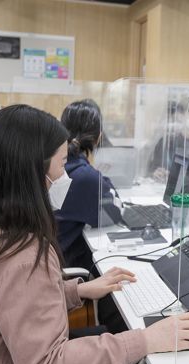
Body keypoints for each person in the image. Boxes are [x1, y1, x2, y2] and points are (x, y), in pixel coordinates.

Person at [0, 105, 189, 364]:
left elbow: (8, 299)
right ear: (33, 174)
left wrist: (76, 291)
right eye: (61, 164)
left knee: (113, 333)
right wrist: (146, 340)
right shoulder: (22, 254)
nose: (65, 176)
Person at [56, 99, 123, 270]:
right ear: (99, 136)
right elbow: (114, 213)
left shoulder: (61, 165)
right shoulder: (84, 177)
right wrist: (98, 175)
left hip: (52, 256)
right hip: (63, 263)